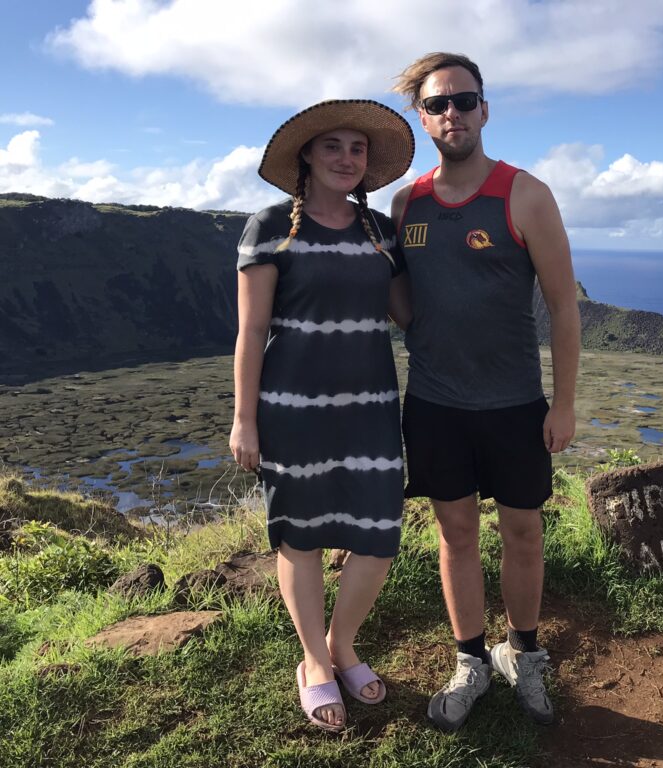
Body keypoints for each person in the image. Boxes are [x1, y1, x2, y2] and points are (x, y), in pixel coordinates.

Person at [391, 52, 581, 731]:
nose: (452, 114)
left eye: (464, 101)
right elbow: (410, 308)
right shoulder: (405, 201)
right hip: (437, 405)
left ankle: (522, 651)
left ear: (485, 109)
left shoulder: (524, 194)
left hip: (513, 404)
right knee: (457, 533)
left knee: (524, 531)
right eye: (438, 104)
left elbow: (562, 306)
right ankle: (471, 658)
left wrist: (563, 403)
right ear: (422, 117)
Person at [229, 99, 414, 732]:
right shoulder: (270, 226)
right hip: (292, 410)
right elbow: (251, 334)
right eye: (332, 146)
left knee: (378, 533)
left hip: (370, 408)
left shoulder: (379, 231)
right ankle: (314, 661)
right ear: (306, 154)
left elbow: (410, 314)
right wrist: (244, 420)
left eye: (357, 149)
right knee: (300, 534)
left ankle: (343, 644)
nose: (346, 158)